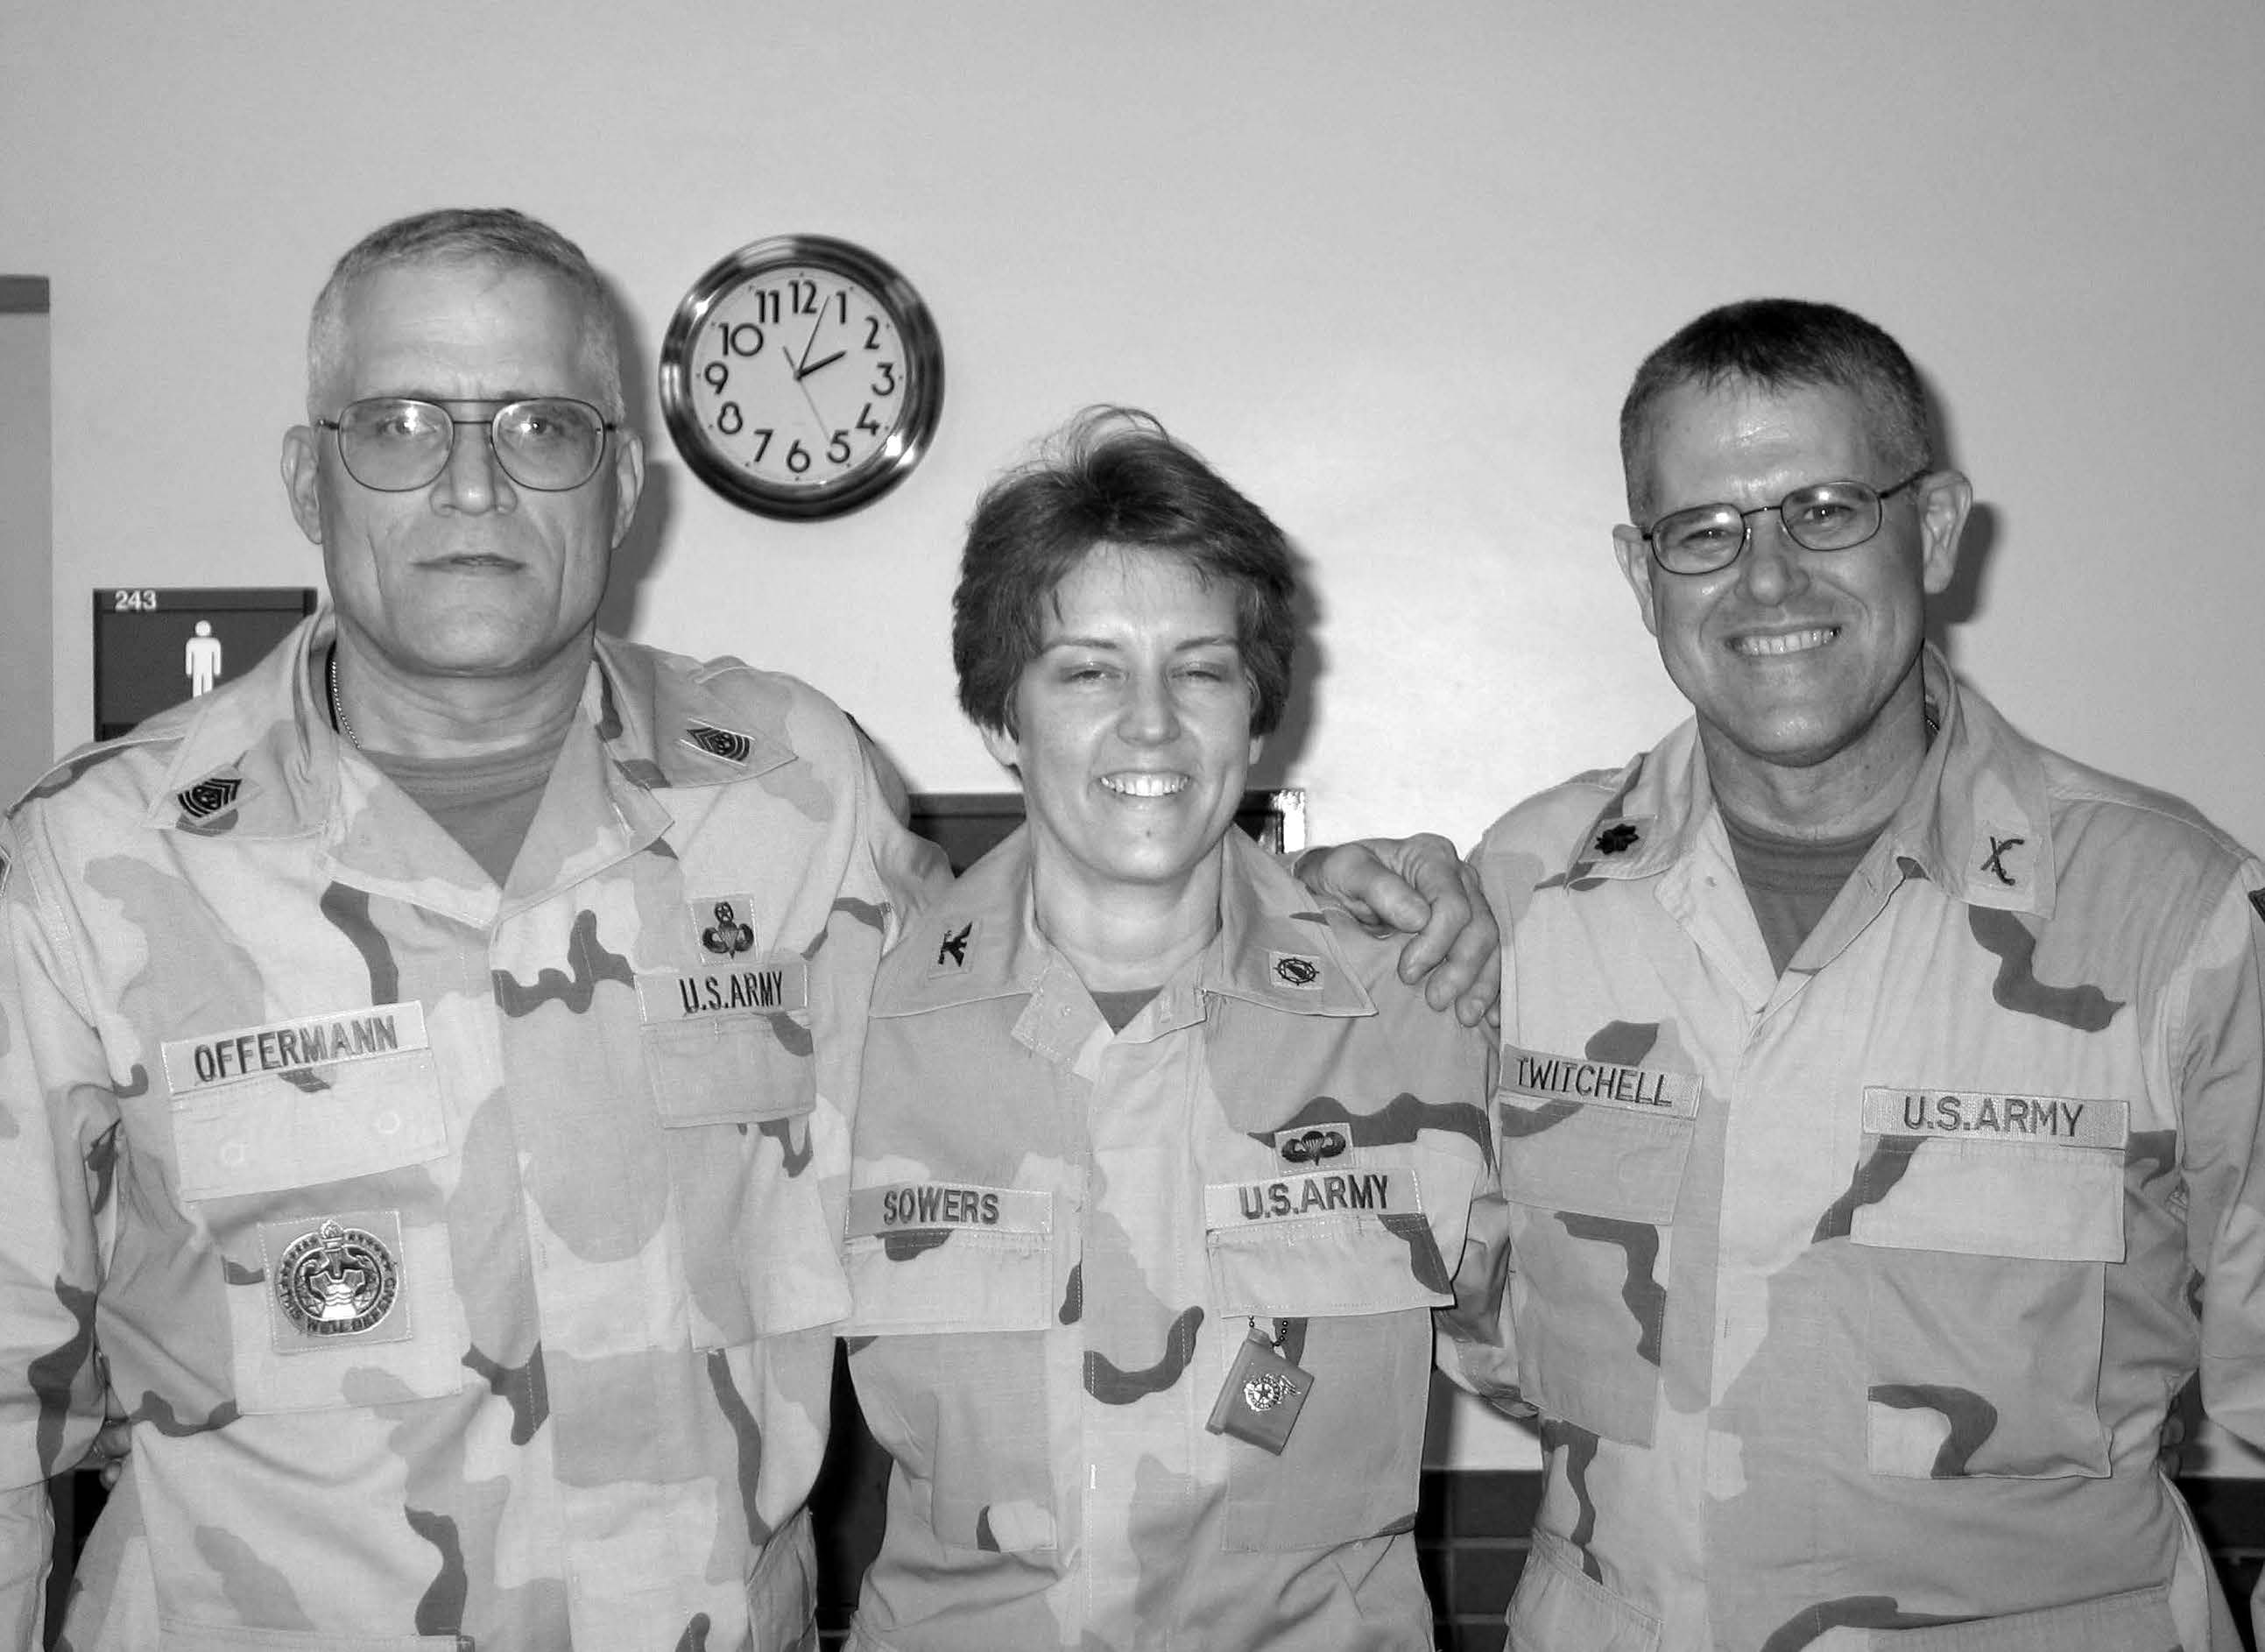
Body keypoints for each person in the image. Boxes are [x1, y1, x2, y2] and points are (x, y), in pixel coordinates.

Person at [0, 208, 1493, 1650]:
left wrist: (1311, 891)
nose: (472, 485)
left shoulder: (790, 792)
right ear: (307, 479)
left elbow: (1053, 965)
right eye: (399, 425)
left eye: (540, 426)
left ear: (620, 485)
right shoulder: (96, 864)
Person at [1441, 297, 2265, 1650]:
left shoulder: (2172, 914)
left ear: (1931, 526)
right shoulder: (1526, 893)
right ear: (1638, 572)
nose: (1766, 580)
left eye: (1824, 507)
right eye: (1702, 531)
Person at [837, 409, 1495, 1649]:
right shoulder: (859, 1027)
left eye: (1198, 669)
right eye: (1085, 668)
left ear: (1254, 723)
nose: (1149, 722)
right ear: (999, 720)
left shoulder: (1422, 1001)